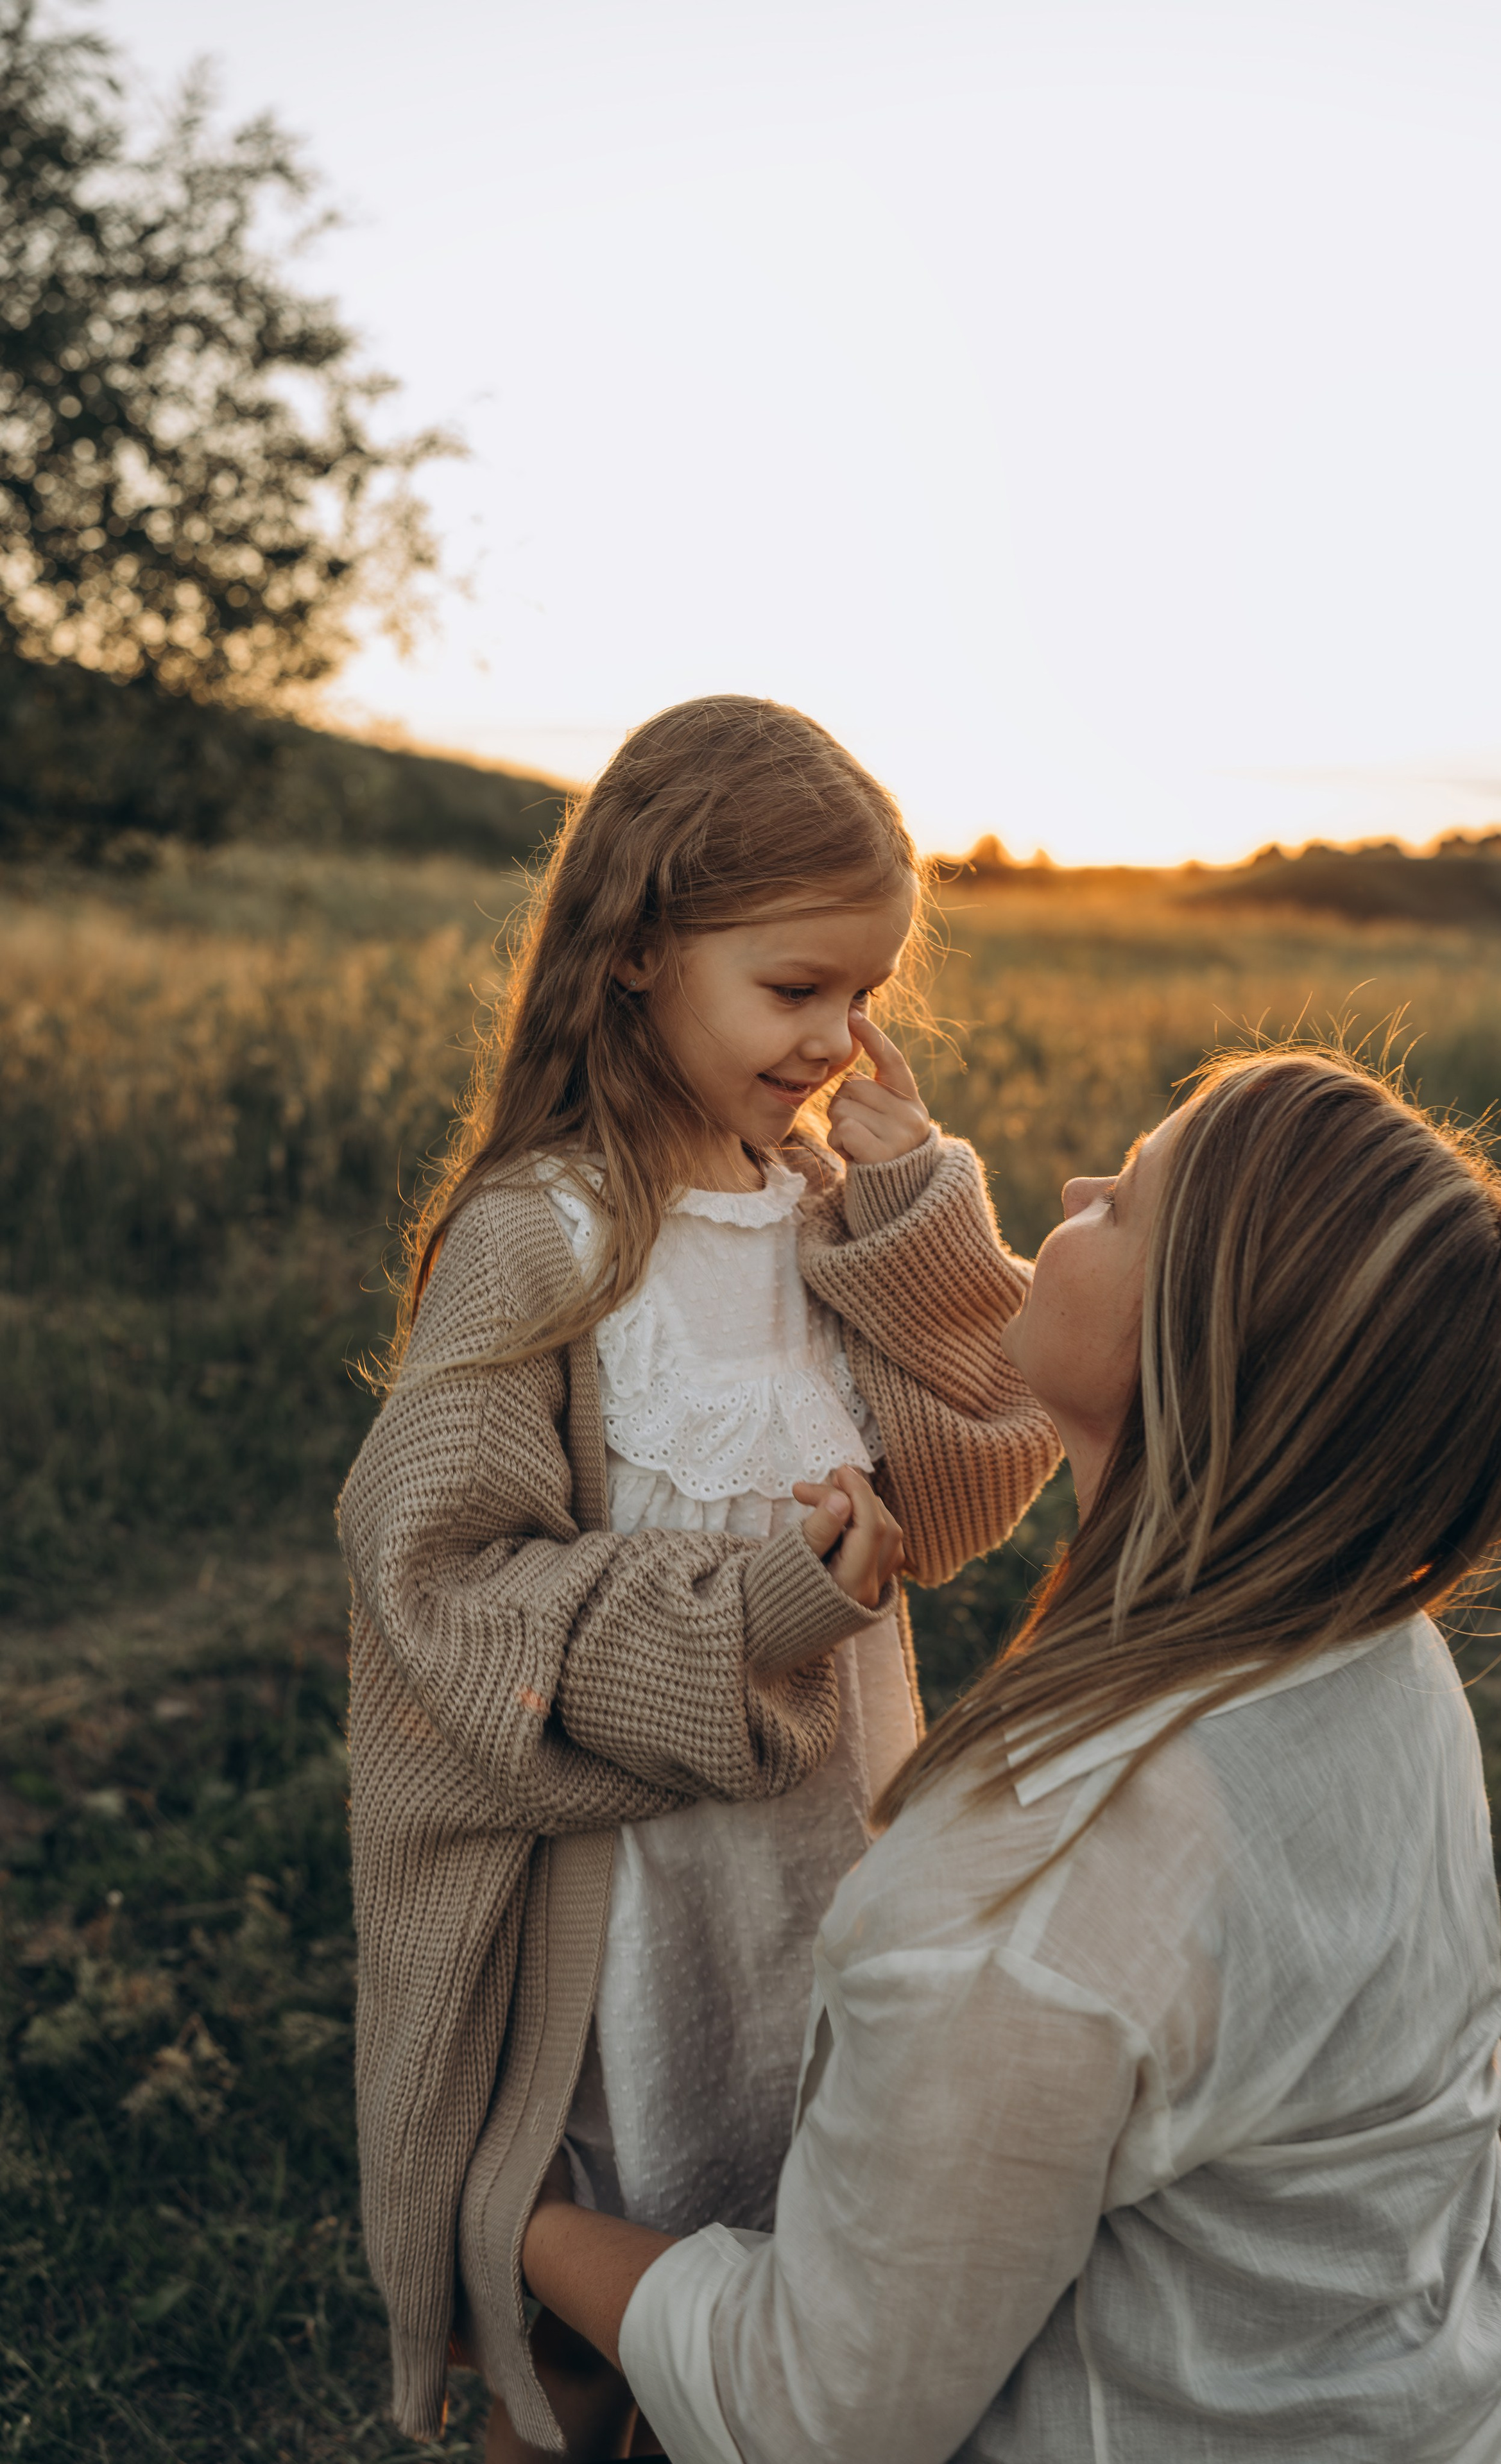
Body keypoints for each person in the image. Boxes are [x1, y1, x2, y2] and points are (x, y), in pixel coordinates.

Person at [519, 1045, 1501, 2464]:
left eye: (1122, 1201)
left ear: (1192, 1353)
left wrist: (522, 2227)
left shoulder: (1030, 1900)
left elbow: (813, 2418)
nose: (1072, 1187)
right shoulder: (1373, 1646)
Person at [336, 695, 1061, 2456]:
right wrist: (752, 1612)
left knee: (799, 2273)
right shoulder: (551, 1238)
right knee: (585, 2340)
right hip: (631, 1911)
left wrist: (916, 1235)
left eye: (867, 995)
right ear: (646, 950)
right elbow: (428, 1576)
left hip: (822, 1870)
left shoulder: (821, 1209)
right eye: (796, 988)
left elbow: (977, 1475)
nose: (840, 1037)